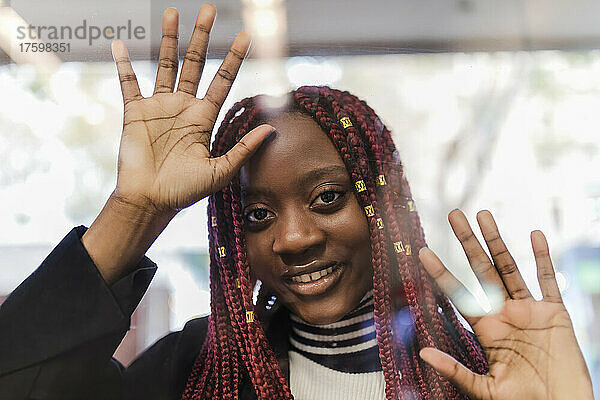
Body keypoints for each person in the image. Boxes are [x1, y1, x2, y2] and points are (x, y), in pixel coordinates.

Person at [0, 4, 595, 400]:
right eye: (257, 216)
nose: (293, 238)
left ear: (384, 210)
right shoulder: (197, 372)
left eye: (328, 198)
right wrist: (134, 210)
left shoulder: (482, 373)